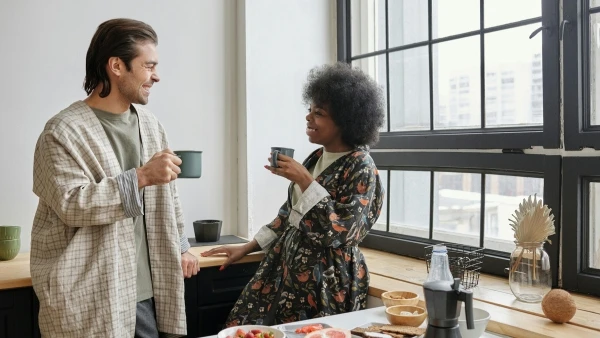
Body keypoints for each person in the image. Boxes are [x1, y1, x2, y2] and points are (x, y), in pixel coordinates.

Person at [30, 18, 198, 338]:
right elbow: (71, 204)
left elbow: (169, 197)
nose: (156, 76)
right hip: (90, 297)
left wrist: (182, 245)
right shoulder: (63, 132)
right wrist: (142, 176)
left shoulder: (150, 126)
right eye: (148, 66)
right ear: (117, 66)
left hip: (147, 294)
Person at [202, 62, 386, 325]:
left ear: (346, 120)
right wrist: (247, 248)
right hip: (286, 269)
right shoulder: (316, 157)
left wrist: (303, 178)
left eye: (319, 113)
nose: (308, 118)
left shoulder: (360, 165)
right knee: (242, 325)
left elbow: (344, 231)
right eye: (309, 111)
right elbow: (290, 215)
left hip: (327, 280)